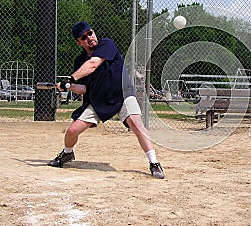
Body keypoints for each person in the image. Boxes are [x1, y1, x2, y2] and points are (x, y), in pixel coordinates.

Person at [48, 21, 164, 179]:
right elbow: (86, 89)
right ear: (79, 42)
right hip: (99, 100)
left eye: (90, 32)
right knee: (72, 131)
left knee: (136, 124)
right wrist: (68, 86)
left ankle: (154, 163)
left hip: (122, 94)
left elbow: (94, 64)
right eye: (84, 37)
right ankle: (67, 153)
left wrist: (72, 78)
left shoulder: (106, 44)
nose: (89, 37)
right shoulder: (80, 62)